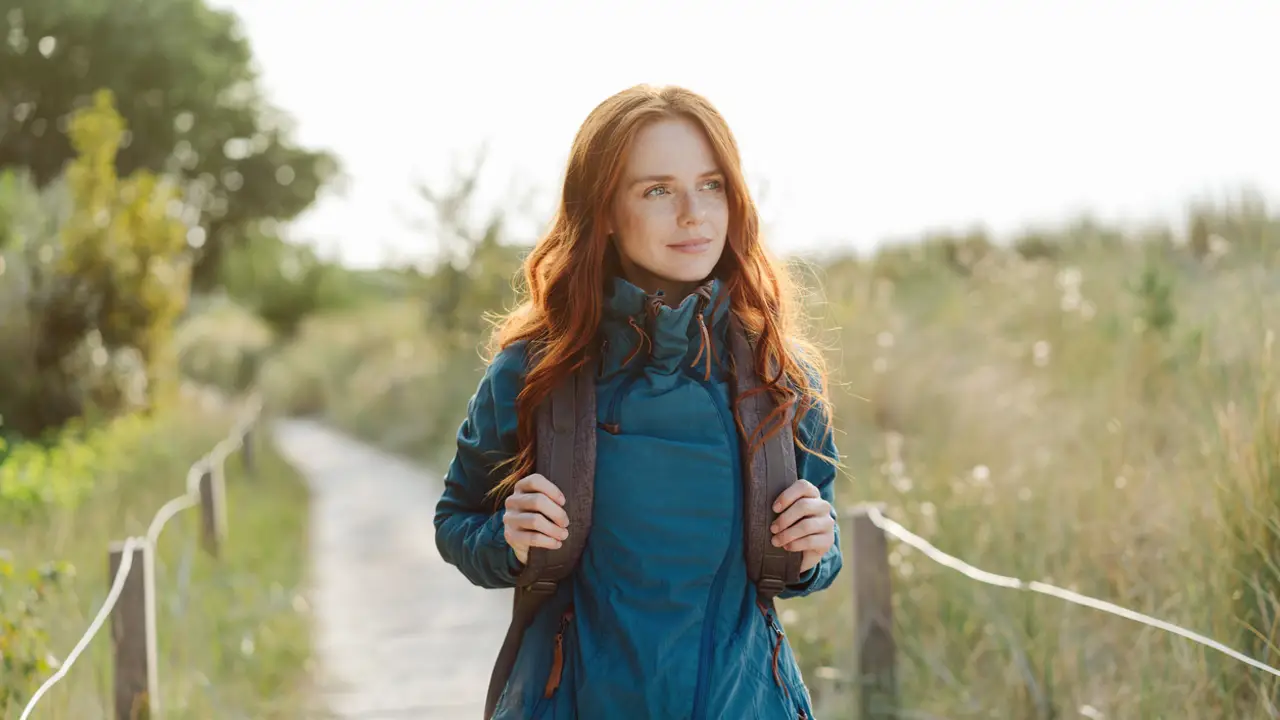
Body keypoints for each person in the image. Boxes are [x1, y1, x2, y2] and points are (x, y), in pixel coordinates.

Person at [434, 84, 843, 720]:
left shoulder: (781, 377)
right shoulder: (534, 371)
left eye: (711, 185)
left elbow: (813, 556)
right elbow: (456, 520)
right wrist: (507, 538)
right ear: (603, 210)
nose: (693, 214)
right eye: (657, 190)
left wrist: (817, 548)